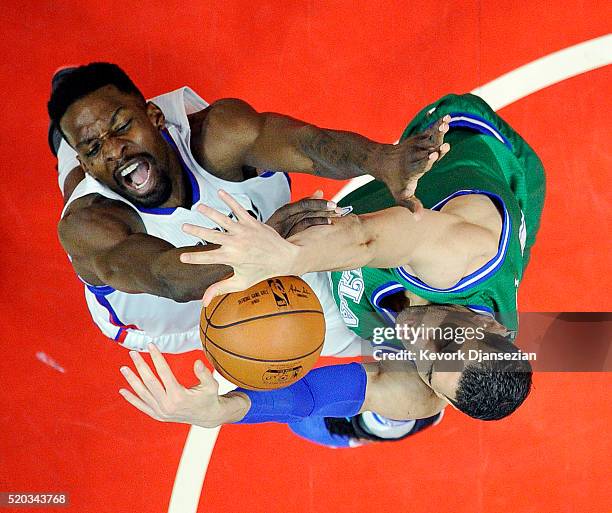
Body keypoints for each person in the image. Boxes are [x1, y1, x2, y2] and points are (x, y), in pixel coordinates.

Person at [119, 93, 544, 446]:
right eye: (448, 342)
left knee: (329, 410)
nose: (420, 340)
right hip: (478, 155)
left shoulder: (427, 387)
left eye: (432, 364)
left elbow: (312, 395)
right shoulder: (462, 256)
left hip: (374, 296)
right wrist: (286, 256)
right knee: (276, 245)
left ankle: (385, 425)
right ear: (497, 328)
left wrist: (226, 410)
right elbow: (367, 239)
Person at [49, 62, 449, 353]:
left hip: (262, 244)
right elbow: (171, 279)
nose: (114, 147)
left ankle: (68, 121)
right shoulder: (87, 227)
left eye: (122, 127)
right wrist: (265, 240)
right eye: (96, 147)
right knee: (86, 174)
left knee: (387, 338)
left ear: (155, 115)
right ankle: (63, 144)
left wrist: (381, 160)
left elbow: (309, 146)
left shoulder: (219, 134)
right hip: (172, 317)